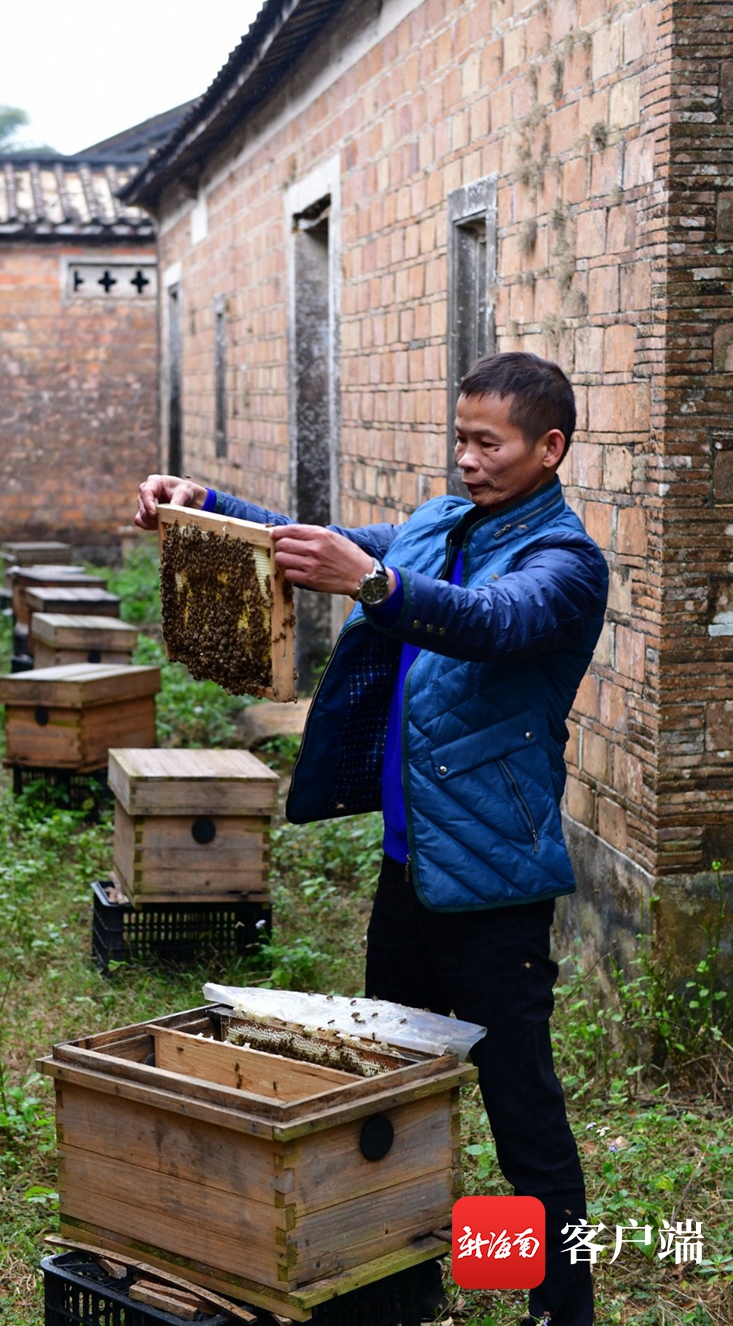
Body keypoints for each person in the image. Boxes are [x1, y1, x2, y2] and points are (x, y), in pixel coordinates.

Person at [136, 351, 608, 1326]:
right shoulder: (440, 524)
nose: (469, 460)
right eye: (461, 439)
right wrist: (206, 502)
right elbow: (318, 545)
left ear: (549, 446)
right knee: (386, 1093)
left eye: (491, 442)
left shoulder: (564, 563)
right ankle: (401, 1284)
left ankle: (559, 1302)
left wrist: (379, 583)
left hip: (495, 892)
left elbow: (487, 621)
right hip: (412, 873)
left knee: (520, 1113)